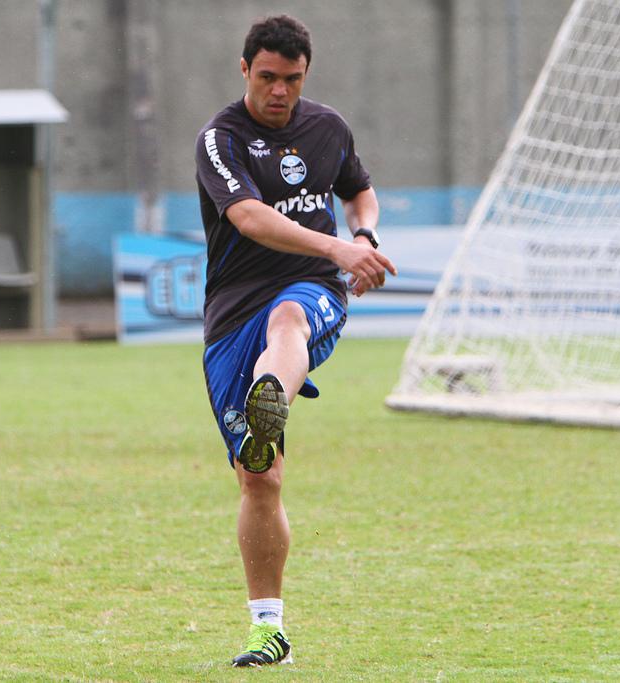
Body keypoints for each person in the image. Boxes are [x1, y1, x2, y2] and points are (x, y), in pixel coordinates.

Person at [195, 14, 396, 667]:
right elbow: (249, 217)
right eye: (269, 77)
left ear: (306, 75)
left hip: (311, 288)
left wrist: (360, 237)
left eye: (293, 79)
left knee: (290, 321)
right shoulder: (221, 139)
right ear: (245, 69)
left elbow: (360, 192)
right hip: (231, 317)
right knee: (260, 478)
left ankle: (270, 392)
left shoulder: (328, 128)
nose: (280, 91)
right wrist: (340, 241)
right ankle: (268, 629)